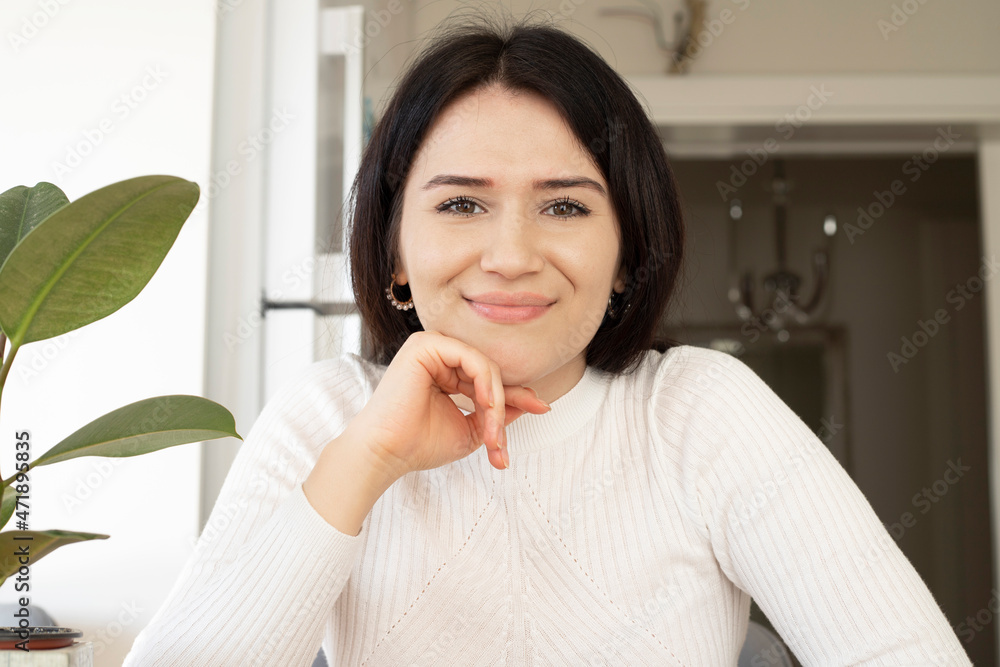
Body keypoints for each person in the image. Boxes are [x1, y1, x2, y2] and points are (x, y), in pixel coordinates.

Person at [124, 14, 972, 666]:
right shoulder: (326, 416)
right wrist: (367, 458)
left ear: (626, 254)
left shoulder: (699, 413)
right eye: (461, 203)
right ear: (394, 254)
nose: (512, 255)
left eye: (564, 205)